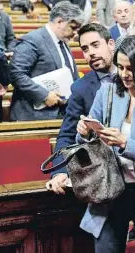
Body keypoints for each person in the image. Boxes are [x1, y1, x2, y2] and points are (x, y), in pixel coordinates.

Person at [76, 34, 135, 253]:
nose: (124, 75)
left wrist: (126, 143)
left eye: (130, 68)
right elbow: (83, 142)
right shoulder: (107, 92)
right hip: (109, 188)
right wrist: (85, 133)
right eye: (120, 67)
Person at [46, 23, 115, 194]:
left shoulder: (130, 77)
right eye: (85, 49)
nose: (90, 52)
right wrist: (60, 172)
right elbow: (67, 135)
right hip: (103, 177)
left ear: (111, 45)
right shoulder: (81, 88)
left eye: (95, 45)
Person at [9, 1, 83, 121]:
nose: (75, 34)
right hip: (33, 115)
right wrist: (44, 95)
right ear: (59, 22)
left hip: (62, 112)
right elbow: (16, 73)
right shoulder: (33, 39)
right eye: (73, 28)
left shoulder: (63, 42)